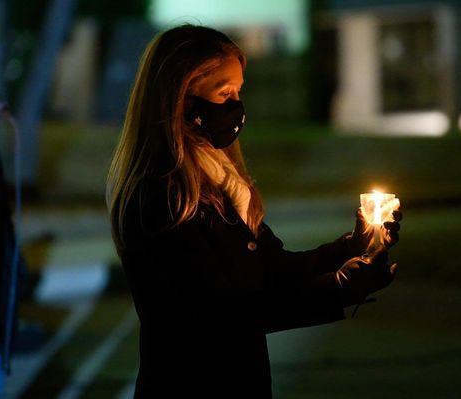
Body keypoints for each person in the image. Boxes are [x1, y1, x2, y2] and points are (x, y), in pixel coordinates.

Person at [105, 24, 403, 398]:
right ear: (180, 95)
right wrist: (338, 289)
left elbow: (270, 268)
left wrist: (352, 246)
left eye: (238, 92)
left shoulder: (218, 175)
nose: (236, 106)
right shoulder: (161, 194)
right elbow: (219, 316)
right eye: (224, 92)